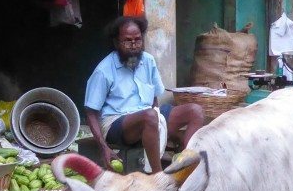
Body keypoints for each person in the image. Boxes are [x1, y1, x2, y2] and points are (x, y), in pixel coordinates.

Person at [84, 15, 204, 173]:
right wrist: (103, 147)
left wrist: (161, 128)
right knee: (150, 116)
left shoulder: (148, 61)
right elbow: (91, 113)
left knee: (196, 111)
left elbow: (153, 98)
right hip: (117, 123)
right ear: (116, 42)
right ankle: (157, 175)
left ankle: (186, 164)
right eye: (127, 41)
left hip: (149, 116)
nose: (133, 45)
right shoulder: (103, 70)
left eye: (138, 40)